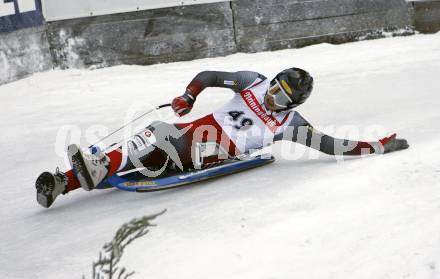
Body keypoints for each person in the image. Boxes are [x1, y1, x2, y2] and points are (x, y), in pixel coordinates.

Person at [35, 68, 409, 208]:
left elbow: (332, 145)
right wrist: (189, 95)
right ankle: (63, 182)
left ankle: (95, 170)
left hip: (210, 151)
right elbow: (209, 75)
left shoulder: (291, 124)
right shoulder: (252, 81)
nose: (270, 98)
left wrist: (376, 145)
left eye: (280, 97)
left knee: (156, 137)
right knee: (145, 147)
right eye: (274, 88)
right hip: (188, 133)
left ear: (292, 102)